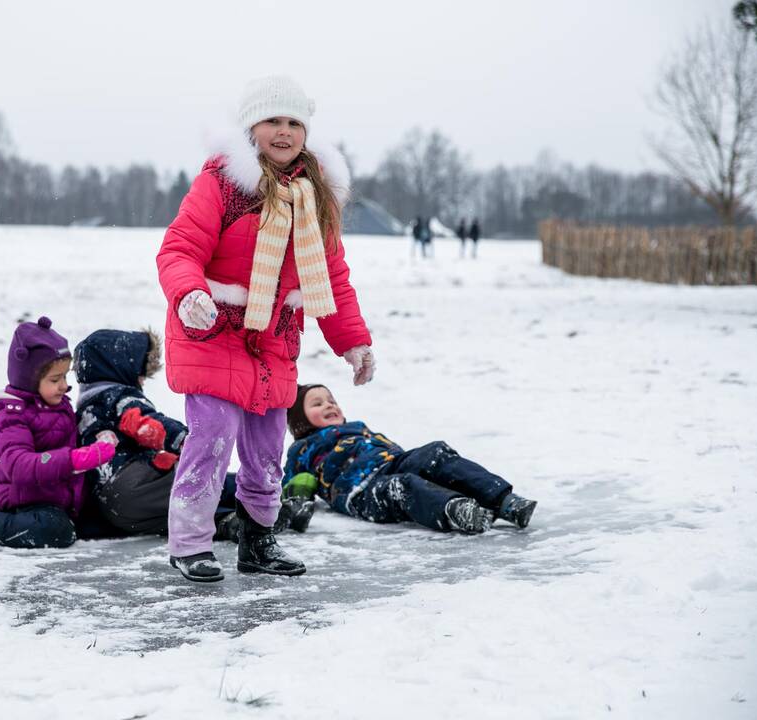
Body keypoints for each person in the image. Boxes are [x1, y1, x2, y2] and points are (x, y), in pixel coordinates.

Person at [157, 75, 375, 582]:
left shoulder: (315, 197)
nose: (284, 132)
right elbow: (179, 248)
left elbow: (333, 276)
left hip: (274, 340)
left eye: (294, 122)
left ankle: (258, 539)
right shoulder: (222, 183)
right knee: (211, 437)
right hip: (213, 329)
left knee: (266, 450)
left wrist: (354, 341)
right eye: (272, 121)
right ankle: (190, 543)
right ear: (251, 129)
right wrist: (189, 292)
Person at [72, 328, 314, 539]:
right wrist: (190, 440)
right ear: (117, 366)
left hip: (113, 505)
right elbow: (147, 424)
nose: (142, 379)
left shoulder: (86, 407)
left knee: (178, 516)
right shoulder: (119, 397)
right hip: (135, 481)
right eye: (139, 371)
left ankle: (228, 524)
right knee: (206, 481)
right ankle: (273, 510)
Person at [283, 384, 538, 534]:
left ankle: (504, 501)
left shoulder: (357, 428)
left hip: (391, 462)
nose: (329, 405)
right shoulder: (303, 448)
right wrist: (297, 503)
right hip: (359, 491)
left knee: (435, 453)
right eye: (317, 404)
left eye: (331, 400)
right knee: (403, 486)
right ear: (300, 420)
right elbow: (298, 481)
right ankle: (455, 510)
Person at [0, 317, 116, 549]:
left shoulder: (60, 406)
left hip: (62, 499)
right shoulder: (11, 416)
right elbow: (18, 465)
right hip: (26, 501)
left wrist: (101, 436)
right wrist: (73, 460)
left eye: (65, 377)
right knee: (55, 530)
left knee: (107, 521)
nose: (64, 385)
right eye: (54, 379)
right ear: (29, 380)